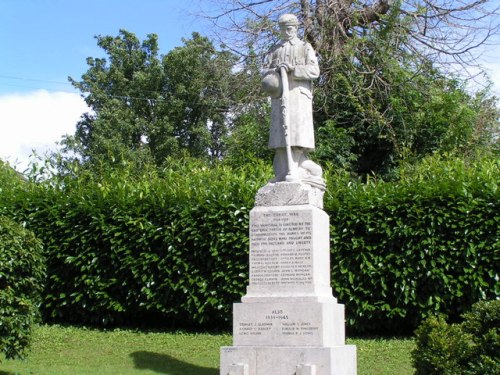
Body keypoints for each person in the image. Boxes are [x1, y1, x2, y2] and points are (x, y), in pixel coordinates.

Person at [261, 13, 323, 186]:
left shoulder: (304, 47)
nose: (286, 32)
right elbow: (264, 72)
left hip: (298, 97)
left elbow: (314, 71)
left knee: (296, 136)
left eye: (289, 29)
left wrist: (293, 69)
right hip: (279, 98)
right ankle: (281, 173)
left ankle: (295, 171)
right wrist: (274, 72)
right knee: (279, 138)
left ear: (296, 28)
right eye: (283, 29)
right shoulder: (275, 50)